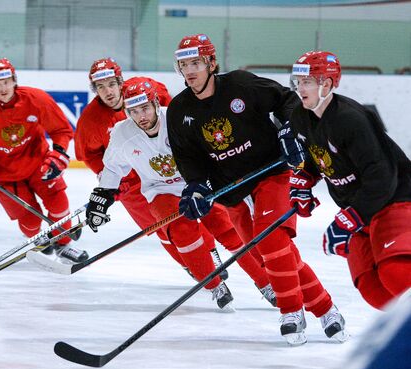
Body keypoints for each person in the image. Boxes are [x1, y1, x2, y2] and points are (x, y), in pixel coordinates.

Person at [166, 33, 347, 345]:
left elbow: (288, 101)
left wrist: (291, 129)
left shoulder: (240, 84)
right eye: (184, 64)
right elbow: (187, 157)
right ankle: (326, 309)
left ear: (211, 62)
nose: (190, 69)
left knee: (273, 240)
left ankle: (291, 312)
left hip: (271, 174)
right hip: (231, 190)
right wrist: (195, 187)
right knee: (267, 254)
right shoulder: (179, 110)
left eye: (196, 62)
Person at [85, 79, 277, 309]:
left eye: (145, 108)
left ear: (156, 103)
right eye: (134, 111)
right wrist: (101, 197)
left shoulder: (181, 118)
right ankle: (214, 284)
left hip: (198, 182)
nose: (141, 116)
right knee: (182, 232)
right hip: (160, 190)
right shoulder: (122, 133)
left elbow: (211, 150)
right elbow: (114, 168)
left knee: (228, 231)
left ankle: (265, 282)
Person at [75, 57, 228, 279]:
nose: (107, 92)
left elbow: (174, 115)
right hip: (132, 185)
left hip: (168, 169)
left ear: (120, 82)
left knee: (195, 210)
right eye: (100, 87)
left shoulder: (145, 89)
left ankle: (210, 252)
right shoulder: (90, 120)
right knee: (162, 228)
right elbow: (89, 156)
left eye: (111, 84)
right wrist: (111, 183)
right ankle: (191, 265)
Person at [286, 50, 411, 309]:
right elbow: (318, 157)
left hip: (396, 200)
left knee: (397, 275)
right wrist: (304, 179)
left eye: (307, 81)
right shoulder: (300, 116)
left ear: (328, 83)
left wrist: (351, 217)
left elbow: (381, 176)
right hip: (358, 208)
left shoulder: (350, 118)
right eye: (298, 82)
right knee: (375, 292)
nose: (300, 88)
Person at [0, 58, 87, 263]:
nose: (3, 87)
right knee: (30, 221)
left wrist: (58, 154)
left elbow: (61, 130)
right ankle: (40, 240)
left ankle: (63, 244)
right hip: (2, 174)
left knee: (59, 204)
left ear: (14, 80)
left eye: (6, 81)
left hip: (38, 164)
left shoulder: (36, 99)